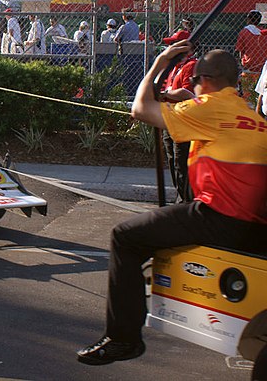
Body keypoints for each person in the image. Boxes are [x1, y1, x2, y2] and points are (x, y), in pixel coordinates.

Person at [77, 42, 267, 366]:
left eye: (195, 82)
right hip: (254, 225)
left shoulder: (208, 106)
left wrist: (160, 62)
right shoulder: (250, 115)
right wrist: (190, 101)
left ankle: (124, 339)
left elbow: (140, 109)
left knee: (125, 237)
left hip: (219, 217)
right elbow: (219, 121)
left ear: (203, 80)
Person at [160, 48, 197, 205]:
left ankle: (185, 200)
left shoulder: (191, 65)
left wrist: (166, 93)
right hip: (170, 117)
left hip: (183, 119)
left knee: (181, 161)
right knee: (172, 158)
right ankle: (180, 196)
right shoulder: (174, 67)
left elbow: (187, 93)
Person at [235, 9, 267, 107]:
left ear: (248, 19)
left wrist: (241, 63)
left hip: (249, 68)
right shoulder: (263, 34)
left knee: (247, 96)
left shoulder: (244, 32)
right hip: (262, 68)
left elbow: (240, 50)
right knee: (259, 95)